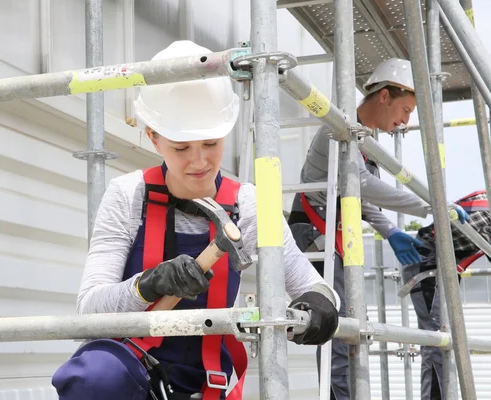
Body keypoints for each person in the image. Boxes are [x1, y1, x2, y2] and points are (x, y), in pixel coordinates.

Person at [50, 40, 341, 400]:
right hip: (129, 369)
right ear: (154, 138)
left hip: (208, 377)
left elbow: (313, 287)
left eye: (211, 143)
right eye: (181, 148)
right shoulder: (127, 196)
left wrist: (320, 309)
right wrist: (148, 285)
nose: (200, 161)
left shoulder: (248, 205)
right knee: (95, 378)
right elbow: (89, 309)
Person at [287, 58, 470, 400]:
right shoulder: (340, 129)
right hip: (314, 232)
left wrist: (390, 231)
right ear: (384, 96)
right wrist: (432, 206)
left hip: (333, 230)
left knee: (351, 325)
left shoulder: (365, 143)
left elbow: (360, 196)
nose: (405, 121)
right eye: (405, 109)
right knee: (339, 325)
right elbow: (363, 185)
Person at [403, 189, 489, 400]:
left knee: (444, 340)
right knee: (437, 340)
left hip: (443, 264)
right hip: (427, 263)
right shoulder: (486, 211)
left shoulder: (484, 200)